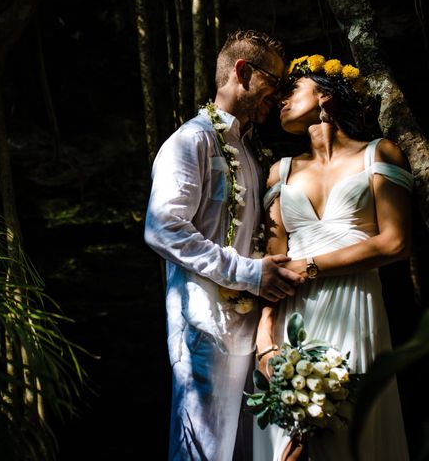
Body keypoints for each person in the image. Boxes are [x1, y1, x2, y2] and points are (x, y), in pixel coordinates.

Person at [144, 29, 304, 461]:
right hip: (205, 329)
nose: (280, 92)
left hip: (249, 332)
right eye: (274, 80)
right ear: (242, 71)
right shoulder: (191, 141)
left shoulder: (249, 153)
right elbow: (163, 228)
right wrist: (251, 273)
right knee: (204, 452)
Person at [254, 54, 412, 460]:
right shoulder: (280, 172)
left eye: (292, 90)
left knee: (347, 433)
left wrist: (310, 266)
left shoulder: (379, 154)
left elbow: (395, 243)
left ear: (324, 94)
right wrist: (264, 339)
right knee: (287, 446)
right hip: (295, 316)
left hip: (355, 309)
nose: (281, 101)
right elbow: (275, 263)